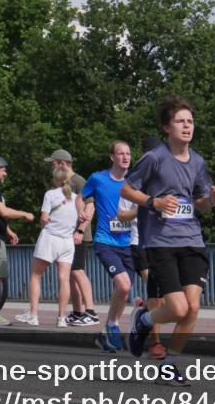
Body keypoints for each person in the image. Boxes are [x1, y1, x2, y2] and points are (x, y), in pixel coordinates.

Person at [121, 95, 215, 386]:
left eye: (190, 121)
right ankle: (143, 320)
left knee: (192, 309)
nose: (187, 126)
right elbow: (128, 190)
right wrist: (153, 202)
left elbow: (200, 203)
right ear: (167, 127)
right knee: (178, 309)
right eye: (180, 121)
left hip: (192, 240)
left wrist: (212, 200)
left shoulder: (198, 162)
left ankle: (168, 366)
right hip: (160, 242)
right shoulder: (155, 158)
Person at [83, 141, 139, 352]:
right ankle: (113, 325)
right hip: (105, 241)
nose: (125, 157)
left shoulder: (134, 182)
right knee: (123, 286)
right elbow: (82, 197)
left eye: (128, 153)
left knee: (123, 291)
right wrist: (84, 211)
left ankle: (106, 331)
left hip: (129, 242)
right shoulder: (98, 178)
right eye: (121, 154)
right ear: (112, 157)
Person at [117, 136, 166, 359]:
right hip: (140, 244)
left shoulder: (168, 181)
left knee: (165, 296)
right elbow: (121, 214)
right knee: (157, 292)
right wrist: (146, 206)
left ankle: (143, 312)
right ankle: (156, 343)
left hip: (165, 244)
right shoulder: (134, 182)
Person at [16, 168, 81, 327]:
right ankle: (61, 318)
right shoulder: (76, 197)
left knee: (36, 275)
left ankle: (33, 315)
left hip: (50, 239)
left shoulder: (50, 195)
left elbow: (44, 218)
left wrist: (44, 220)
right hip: (67, 241)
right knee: (64, 279)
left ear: (55, 179)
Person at [44, 149, 97, 327]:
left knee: (77, 271)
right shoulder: (64, 182)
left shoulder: (79, 181)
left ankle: (91, 311)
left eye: (53, 163)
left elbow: (90, 207)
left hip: (77, 235)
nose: (52, 166)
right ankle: (77, 312)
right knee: (71, 274)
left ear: (62, 163)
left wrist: (80, 231)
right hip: (65, 235)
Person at [0, 154, 34, 326]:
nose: (5, 173)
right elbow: (4, 212)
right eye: (3, 170)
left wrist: (8, 230)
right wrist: (24, 213)